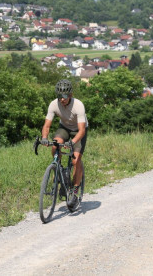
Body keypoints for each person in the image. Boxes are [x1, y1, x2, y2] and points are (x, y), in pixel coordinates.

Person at [41, 79, 88, 209]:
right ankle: (58, 168)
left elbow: (82, 130)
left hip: (78, 131)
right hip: (64, 128)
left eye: (65, 96)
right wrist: (44, 137)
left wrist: (72, 143)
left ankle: (74, 190)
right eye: (60, 96)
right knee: (56, 144)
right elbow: (47, 125)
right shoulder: (53, 104)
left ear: (70, 95)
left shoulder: (78, 105)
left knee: (75, 160)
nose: (62, 99)